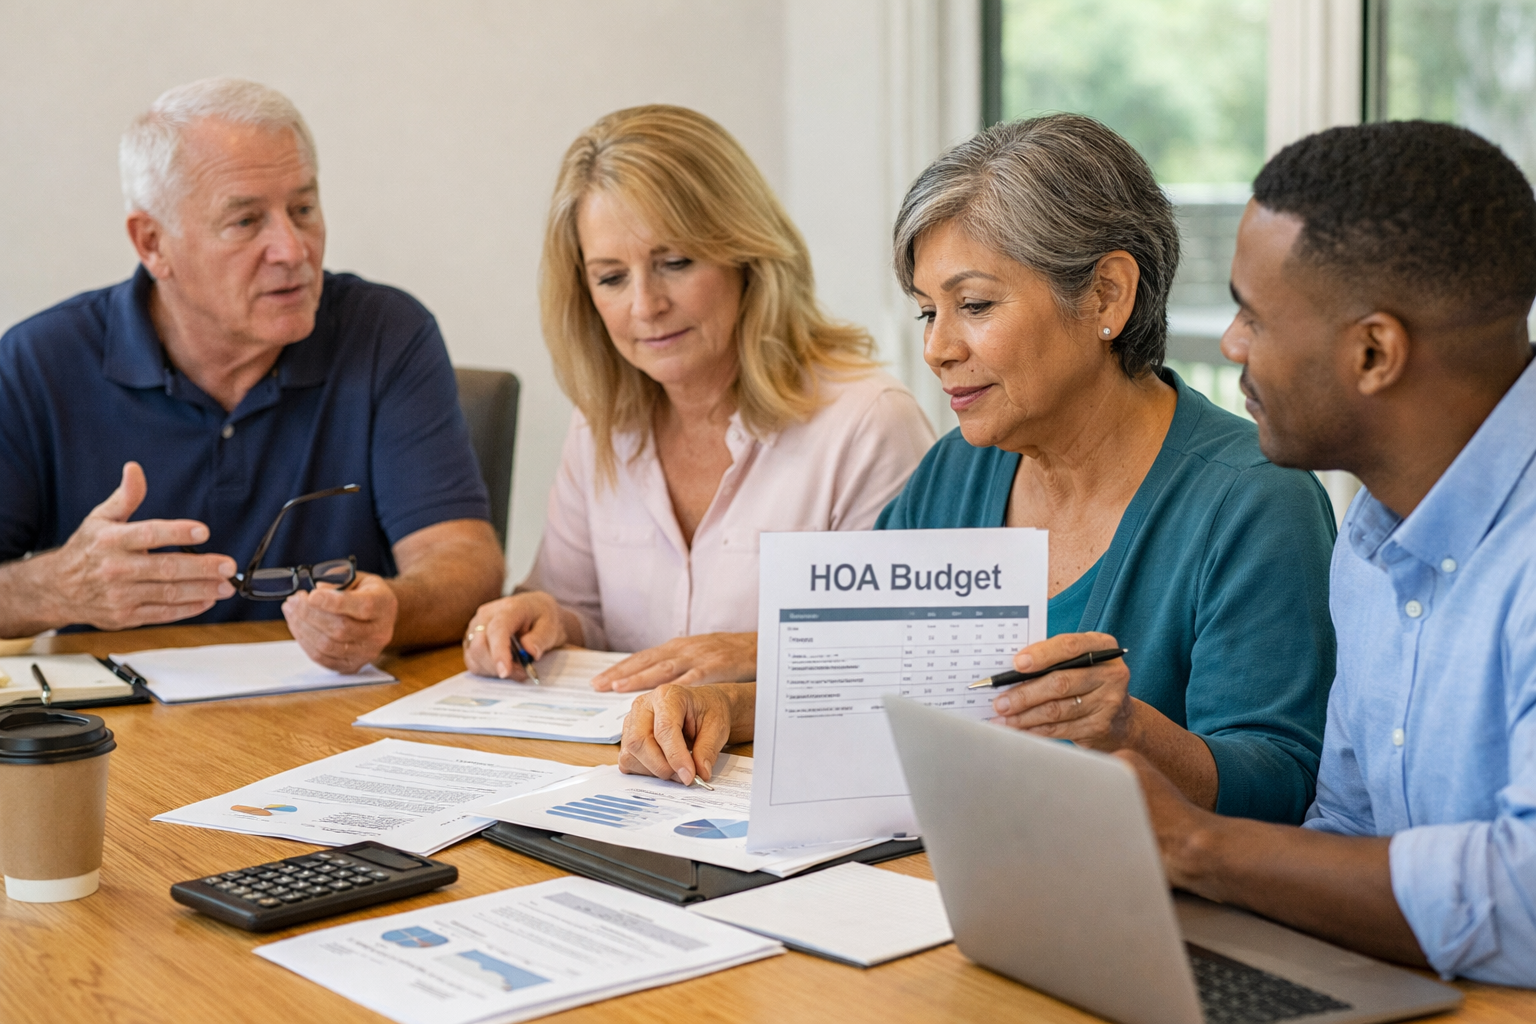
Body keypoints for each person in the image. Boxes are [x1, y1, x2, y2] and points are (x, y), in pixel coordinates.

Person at [621, 114, 1338, 826]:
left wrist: (1135, 732)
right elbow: (868, 696)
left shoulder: (1255, 499)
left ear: (1107, 295)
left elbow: (1281, 786)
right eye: (927, 313)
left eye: (973, 305)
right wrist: (724, 706)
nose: (937, 348)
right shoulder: (954, 471)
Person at [1118, 121, 1536, 986]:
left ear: (1374, 352)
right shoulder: (1372, 533)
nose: (1230, 345)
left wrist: (1197, 844)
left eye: (1253, 315)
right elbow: (1348, 832)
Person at [0, 78, 503, 672]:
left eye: (303, 209)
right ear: (152, 241)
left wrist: (391, 607)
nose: (292, 250)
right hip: (119, 734)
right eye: (245, 222)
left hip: (329, 717)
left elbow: (465, 561)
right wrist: (54, 588)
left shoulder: (386, 333)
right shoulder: (40, 360)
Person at [462, 105, 934, 688]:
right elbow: (580, 614)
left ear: (748, 256)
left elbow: (910, 652)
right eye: (611, 278)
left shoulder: (867, 423)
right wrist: (543, 619)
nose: (644, 306)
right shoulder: (601, 423)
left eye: (675, 262)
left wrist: (762, 653)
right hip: (623, 767)